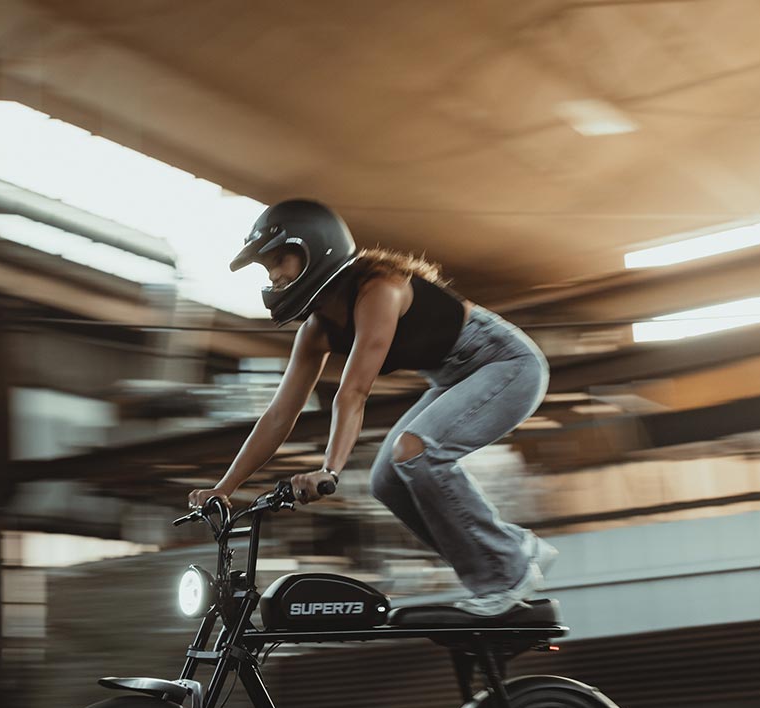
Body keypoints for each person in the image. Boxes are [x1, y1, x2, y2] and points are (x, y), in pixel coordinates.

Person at [188, 198, 557, 617]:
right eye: (266, 267)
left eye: (279, 260)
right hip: (456, 378)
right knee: (387, 480)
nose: (273, 275)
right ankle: (507, 556)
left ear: (314, 248)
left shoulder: (379, 289)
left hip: (506, 363)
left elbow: (353, 392)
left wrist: (330, 469)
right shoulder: (315, 332)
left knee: (415, 452)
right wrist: (225, 488)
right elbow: (278, 416)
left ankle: (506, 569)